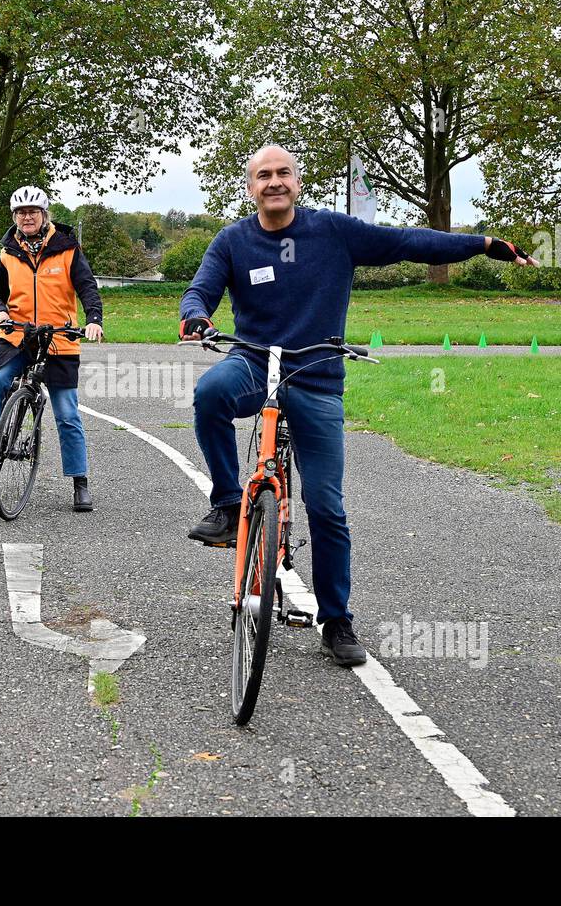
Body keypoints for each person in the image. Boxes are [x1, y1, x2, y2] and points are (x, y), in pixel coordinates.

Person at [179, 144, 536, 668]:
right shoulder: (232, 240)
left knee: (327, 507)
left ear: (297, 182)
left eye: (283, 173)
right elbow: (201, 290)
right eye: (263, 176)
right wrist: (195, 316)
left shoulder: (333, 232)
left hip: (317, 374)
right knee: (210, 393)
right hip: (254, 362)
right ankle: (230, 504)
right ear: (251, 186)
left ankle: (336, 619)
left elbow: (411, 242)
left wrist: (481, 244)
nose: (273, 182)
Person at [0, 186, 104, 512]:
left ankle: (79, 481)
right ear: (14, 217)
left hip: (60, 337)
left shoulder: (67, 248)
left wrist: (93, 319)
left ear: (44, 215)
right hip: (18, 335)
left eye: (33, 212)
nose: (27, 217)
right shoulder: (7, 252)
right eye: (21, 212)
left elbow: (87, 286)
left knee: (67, 413)